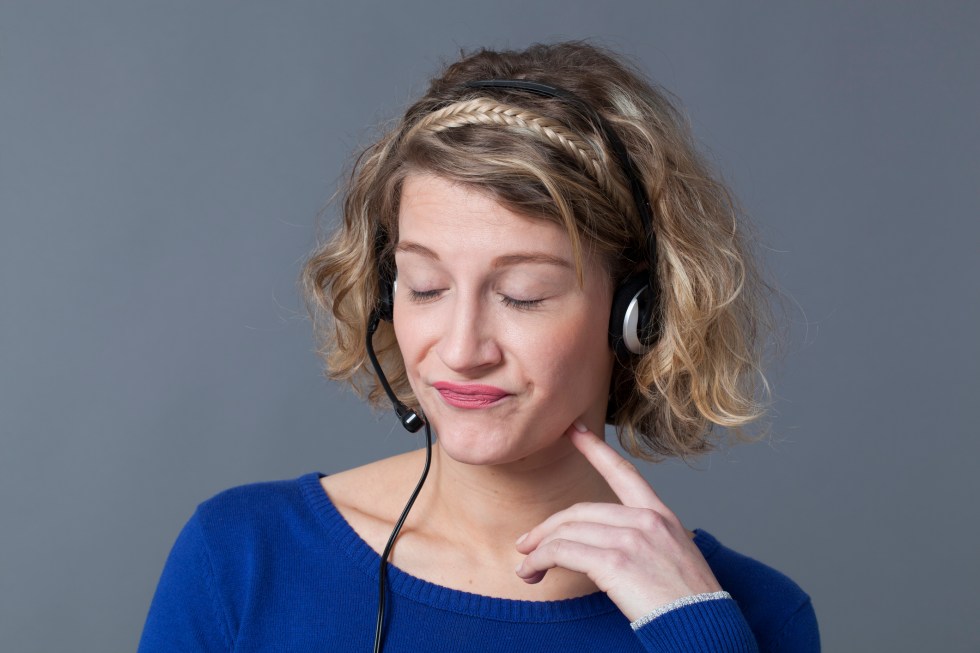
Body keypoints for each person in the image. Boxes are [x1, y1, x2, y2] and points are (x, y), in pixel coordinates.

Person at [139, 42, 820, 652]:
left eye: (522, 294)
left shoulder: (754, 614)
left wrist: (693, 629)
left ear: (636, 314)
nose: (461, 349)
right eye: (426, 286)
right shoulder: (242, 556)